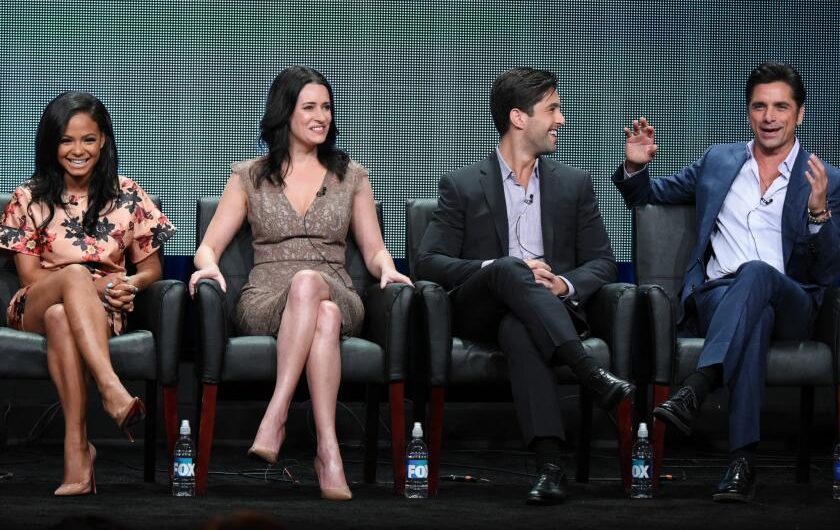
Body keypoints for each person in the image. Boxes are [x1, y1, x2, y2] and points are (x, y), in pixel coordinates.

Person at [614, 61, 840, 502]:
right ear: (748, 112)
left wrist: (818, 213)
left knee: (758, 275)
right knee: (752, 316)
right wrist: (635, 166)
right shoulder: (719, 161)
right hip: (719, 298)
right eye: (759, 106)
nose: (769, 117)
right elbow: (648, 197)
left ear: (800, 114)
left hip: (793, 303)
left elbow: (830, 273)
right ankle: (741, 464)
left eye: (780, 107)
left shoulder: (824, 179)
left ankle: (697, 387)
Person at [189, 66, 411, 501]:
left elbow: (373, 250)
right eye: (309, 106)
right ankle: (328, 452)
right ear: (285, 112)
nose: (321, 116)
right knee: (321, 314)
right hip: (266, 297)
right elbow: (207, 246)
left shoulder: (352, 176)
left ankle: (277, 414)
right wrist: (209, 266)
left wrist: (387, 268)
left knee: (318, 291)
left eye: (326, 107)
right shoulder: (249, 176)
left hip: (338, 289)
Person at [415, 67, 635, 505]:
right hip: (481, 307)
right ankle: (589, 373)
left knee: (520, 328)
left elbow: (603, 263)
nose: (562, 120)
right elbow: (428, 262)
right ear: (519, 117)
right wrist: (497, 265)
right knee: (510, 269)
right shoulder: (461, 185)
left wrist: (563, 284)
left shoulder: (574, 184)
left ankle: (550, 468)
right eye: (552, 109)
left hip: (543, 312)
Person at [0, 91, 175, 496]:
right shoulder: (27, 197)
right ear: (51, 144)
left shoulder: (128, 194)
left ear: (104, 142)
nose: (78, 150)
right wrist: (97, 282)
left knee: (65, 316)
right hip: (34, 304)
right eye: (66, 140)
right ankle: (111, 389)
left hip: (100, 311)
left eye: (88, 139)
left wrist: (130, 284)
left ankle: (77, 451)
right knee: (71, 281)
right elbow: (28, 275)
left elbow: (151, 268)